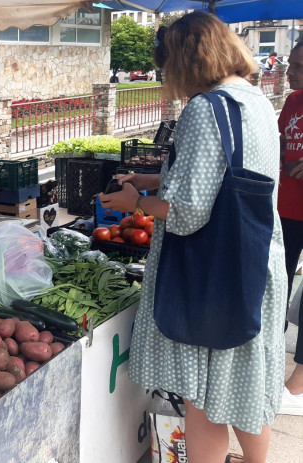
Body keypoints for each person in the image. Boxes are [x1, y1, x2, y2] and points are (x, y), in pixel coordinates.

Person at [99, 13, 285, 463]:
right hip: (254, 266)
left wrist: (134, 205)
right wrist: (146, 178)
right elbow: (224, 180)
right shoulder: (253, 100)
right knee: (242, 389)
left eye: (167, 68)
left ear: (186, 61)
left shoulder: (205, 110)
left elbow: (186, 213)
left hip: (212, 280)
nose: (168, 79)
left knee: (203, 402)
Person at [278, 40, 303, 416]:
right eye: (289, 64)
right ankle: (268, 357)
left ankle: (299, 379)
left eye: (298, 66)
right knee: (277, 284)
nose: (289, 72)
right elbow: (280, 144)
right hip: (285, 209)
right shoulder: (292, 102)